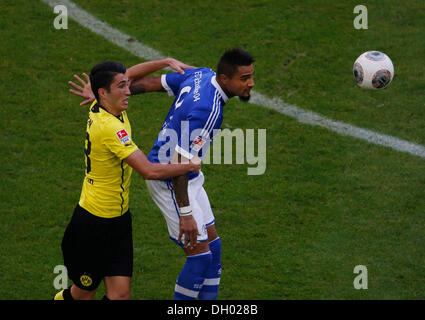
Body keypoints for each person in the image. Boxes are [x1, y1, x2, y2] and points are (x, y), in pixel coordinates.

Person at [70, 48, 255, 300]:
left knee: (213, 249)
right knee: (199, 257)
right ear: (224, 79)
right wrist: (186, 213)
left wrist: (161, 64)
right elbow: (157, 169)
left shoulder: (201, 74)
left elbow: (146, 83)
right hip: (169, 180)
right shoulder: (206, 112)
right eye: (244, 78)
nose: (251, 84)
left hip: (178, 179)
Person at [54, 58, 201, 300]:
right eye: (121, 87)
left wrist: (165, 61)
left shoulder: (103, 104)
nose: (128, 90)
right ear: (103, 92)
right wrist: (189, 165)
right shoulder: (111, 129)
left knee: (120, 295)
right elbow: (149, 171)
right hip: (92, 225)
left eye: (126, 84)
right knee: (83, 295)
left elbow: (129, 73)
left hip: (119, 221)